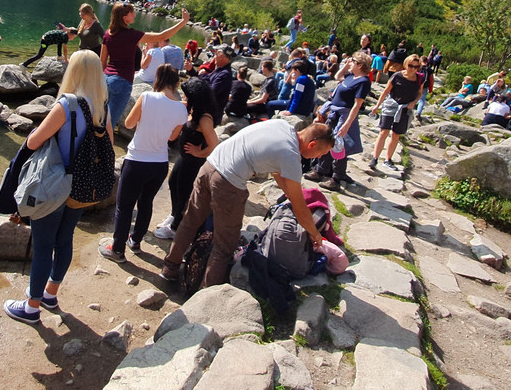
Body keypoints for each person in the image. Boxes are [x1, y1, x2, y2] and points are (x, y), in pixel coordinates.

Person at [2, 50, 113, 324]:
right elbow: (108, 145)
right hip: (82, 186)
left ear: (72, 72)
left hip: (54, 185)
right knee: (64, 241)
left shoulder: (68, 104)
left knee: (42, 247)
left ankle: (31, 307)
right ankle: (50, 293)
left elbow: (33, 141)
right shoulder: (103, 105)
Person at [158, 121, 336, 288]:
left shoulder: (281, 126)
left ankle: (169, 269)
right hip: (228, 182)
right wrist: (314, 233)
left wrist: (291, 195)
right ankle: (208, 295)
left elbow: (276, 172)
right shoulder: (291, 155)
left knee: (189, 222)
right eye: (320, 154)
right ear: (312, 144)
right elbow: (299, 206)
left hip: (209, 166)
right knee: (225, 245)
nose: (318, 158)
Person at [99, 64, 187, 262]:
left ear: (158, 79)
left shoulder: (146, 97)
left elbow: (128, 124)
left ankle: (117, 250)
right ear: (176, 83)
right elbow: (173, 137)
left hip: (136, 160)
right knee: (146, 203)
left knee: (124, 206)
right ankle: (136, 241)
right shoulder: (182, 109)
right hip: (160, 164)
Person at [100, 3, 190, 132]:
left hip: (106, 79)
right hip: (122, 81)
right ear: (125, 18)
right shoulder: (131, 35)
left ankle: (93, 148)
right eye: (132, 13)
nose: (135, 15)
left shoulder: (108, 34)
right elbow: (162, 36)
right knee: (110, 123)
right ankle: (104, 151)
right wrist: (183, 22)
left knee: (100, 119)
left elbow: (102, 62)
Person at [154, 77, 220, 240]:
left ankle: (176, 229)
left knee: (184, 193)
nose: (184, 98)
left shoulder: (204, 118)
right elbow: (175, 103)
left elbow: (215, 144)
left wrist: (199, 152)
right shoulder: (193, 109)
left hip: (193, 162)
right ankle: (174, 215)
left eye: (186, 95)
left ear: (195, 97)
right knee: (172, 183)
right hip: (184, 158)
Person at [306, 52, 372, 191]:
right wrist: (346, 65)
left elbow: (357, 104)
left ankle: (337, 178)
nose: (350, 62)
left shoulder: (364, 81)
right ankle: (320, 170)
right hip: (333, 113)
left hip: (344, 115)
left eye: (353, 61)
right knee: (326, 141)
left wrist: (347, 124)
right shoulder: (351, 76)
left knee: (339, 147)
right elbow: (337, 77)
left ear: (360, 65)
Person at [369, 53, 424, 170]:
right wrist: (377, 105)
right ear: (405, 65)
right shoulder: (397, 76)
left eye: (416, 67)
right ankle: (375, 158)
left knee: (395, 135)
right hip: (391, 106)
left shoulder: (419, 78)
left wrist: (415, 101)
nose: (413, 69)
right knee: (384, 132)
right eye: (411, 66)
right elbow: (386, 91)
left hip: (405, 109)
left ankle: (388, 159)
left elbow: (419, 93)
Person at [203, 46, 235, 116]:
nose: (214, 57)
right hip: (209, 109)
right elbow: (208, 79)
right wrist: (191, 70)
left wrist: (203, 75)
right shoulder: (220, 70)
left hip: (211, 112)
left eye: (216, 54)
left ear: (221, 56)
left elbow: (211, 91)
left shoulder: (225, 74)